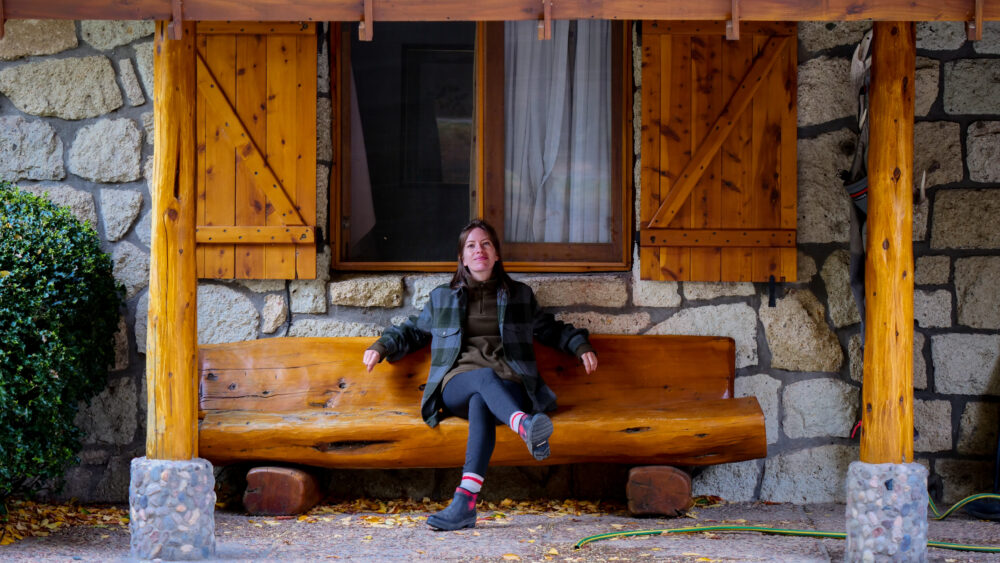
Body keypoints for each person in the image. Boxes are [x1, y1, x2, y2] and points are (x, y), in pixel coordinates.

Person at [362, 219, 598, 531]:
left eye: (486, 244)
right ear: (462, 257)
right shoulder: (443, 297)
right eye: (471, 246)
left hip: (508, 386)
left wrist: (579, 345)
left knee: (481, 403)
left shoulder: (520, 296)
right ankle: (525, 426)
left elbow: (549, 329)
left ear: (497, 253)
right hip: (456, 383)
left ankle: (465, 503)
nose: (479, 250)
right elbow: (413, 331)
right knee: (480, 381)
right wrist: (382, 346)